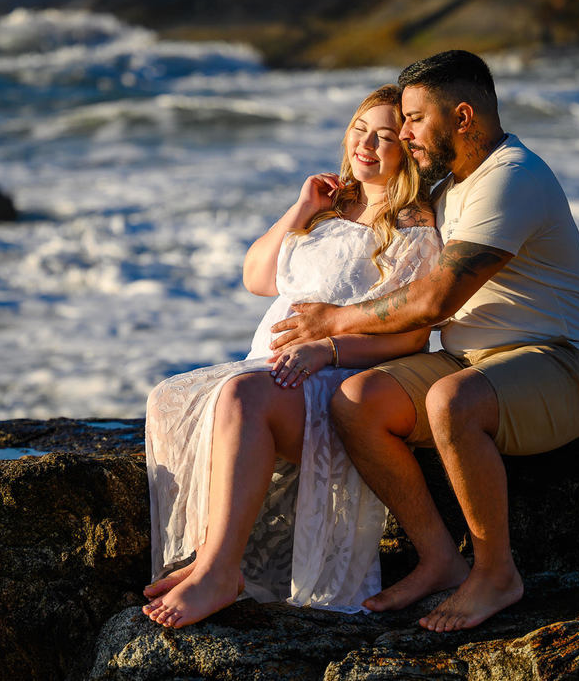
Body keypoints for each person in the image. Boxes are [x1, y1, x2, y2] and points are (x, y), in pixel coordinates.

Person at [270, 50, 579, 633]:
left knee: (451, 402)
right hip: (466, 358)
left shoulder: (512, 179)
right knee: (356, 402)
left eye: (413, 120)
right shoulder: (451, 183)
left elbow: (434, 301)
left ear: (462, 117)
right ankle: (438, 559)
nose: (403, 135)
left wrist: (334, 321)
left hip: (560, 361)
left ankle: (496, 574)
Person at [142, 85, 443, 628]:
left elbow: (412, 336)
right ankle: (202, 555)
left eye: (384, 136)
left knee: (239, 395)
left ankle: (221, 572)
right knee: (169, 397)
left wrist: (327, 349)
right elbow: (257, 277)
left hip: (341, 379)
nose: (366, 144)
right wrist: (302, 206)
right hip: (274, 366)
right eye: (359, 129)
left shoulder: (412, 225)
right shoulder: (330, 204)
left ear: (408, 147)